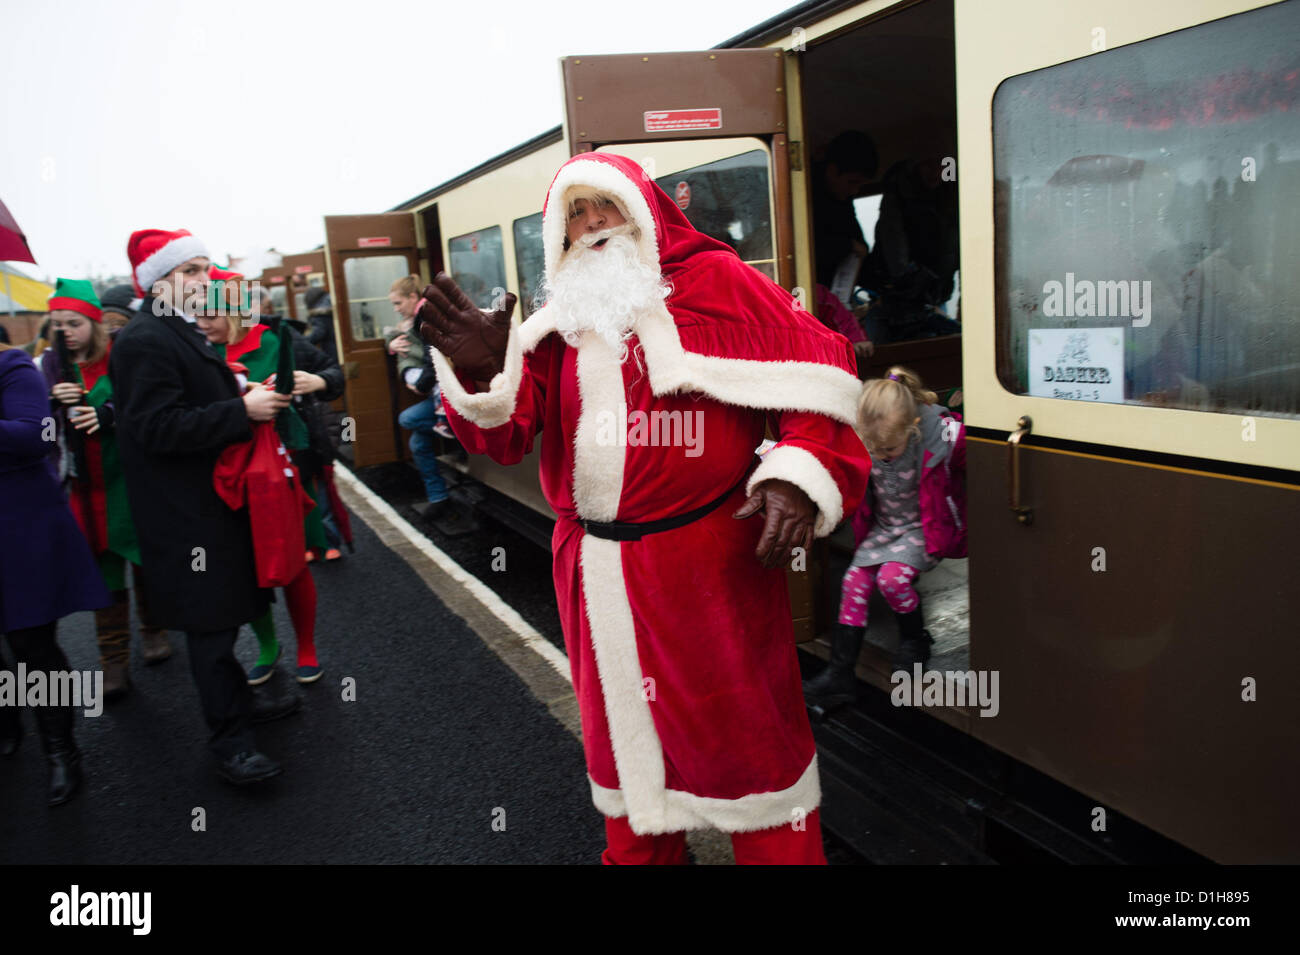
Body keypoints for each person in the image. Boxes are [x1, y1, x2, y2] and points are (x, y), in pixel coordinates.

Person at [420, 152, 870, 865]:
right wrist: (483, 369)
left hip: (710, 569)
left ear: (647, 212)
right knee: (629, 768)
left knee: (753, 766)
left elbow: (821, 382)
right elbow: (503, 437)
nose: (593, 224)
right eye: (576, 213)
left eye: (607, 205)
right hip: (594, 573)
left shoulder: (720, 282)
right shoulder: (554, 324)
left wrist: (794, 472)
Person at [110, 228, 297, 785]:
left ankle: (239, 708)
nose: (202, 279)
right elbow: (154, 427)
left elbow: (182, 407)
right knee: (210, 630)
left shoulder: (173, 331)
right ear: (158, 281)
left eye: (204, 268)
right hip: (183, 513)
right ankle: (230, 743)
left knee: (221, 615)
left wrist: (238, 399)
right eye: (189, 270)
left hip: (203, 504)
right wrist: (244, 412)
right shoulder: (146, 338)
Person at [194, 273, 336, 684]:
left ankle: (306, 648)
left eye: (210, 313)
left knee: (293, 562)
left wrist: (317, 381)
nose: (201, 322)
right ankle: (269, 648)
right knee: (246, 565)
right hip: (228, 472)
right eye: (198, 313)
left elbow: (333, 371)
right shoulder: (197, 352)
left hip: (284, 468)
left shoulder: (274, 340)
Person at [803, 366, 966, 710]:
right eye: (873, 449)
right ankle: (840, 675)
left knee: (893, 580)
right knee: (853, 583)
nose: (882, 455)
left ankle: (915, 638)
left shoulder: (940, 435)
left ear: (915, 426)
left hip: (923, 527)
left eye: (890, 448)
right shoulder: (872, 436)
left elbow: (977, 450)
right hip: (885, 528)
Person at [39, 278, 170, 700]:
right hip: (85, 485)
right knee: (103, 570)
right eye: (57, 324)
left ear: (93, 324)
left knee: (144, 560)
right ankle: (112, 656)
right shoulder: (50, 365)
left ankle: (154, 628)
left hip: (127, 480)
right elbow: (36, 426)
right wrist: (50, 403)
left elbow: (143, 404)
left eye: (74, 323)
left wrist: (108, 415)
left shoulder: (120, 354)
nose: (65, 332)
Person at [1, 342, 111, 804]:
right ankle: (7, 724)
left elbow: (37, 435)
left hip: (16, 523)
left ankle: (61, 752)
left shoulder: (11, 364)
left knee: (31, 644)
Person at [387, 275, 453, 521]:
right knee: (417, 442)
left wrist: (420, 385)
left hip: (445, 389)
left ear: (413, 297)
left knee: (407, 419)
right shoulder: (416, 317)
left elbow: (434, 357)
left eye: (397, 303)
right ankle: (439, 497)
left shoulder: (426, 315)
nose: (396, 309)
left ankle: (457, 430)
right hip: (439, 391)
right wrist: (391, 344)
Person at [812, 130, 878, 299]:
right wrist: (848, 246)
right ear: (832, 171)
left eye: (860, 185)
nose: (855, 190)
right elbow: (809, 249)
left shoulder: (842, 201)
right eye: (852, 182)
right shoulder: (805, 194)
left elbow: (859, 242)